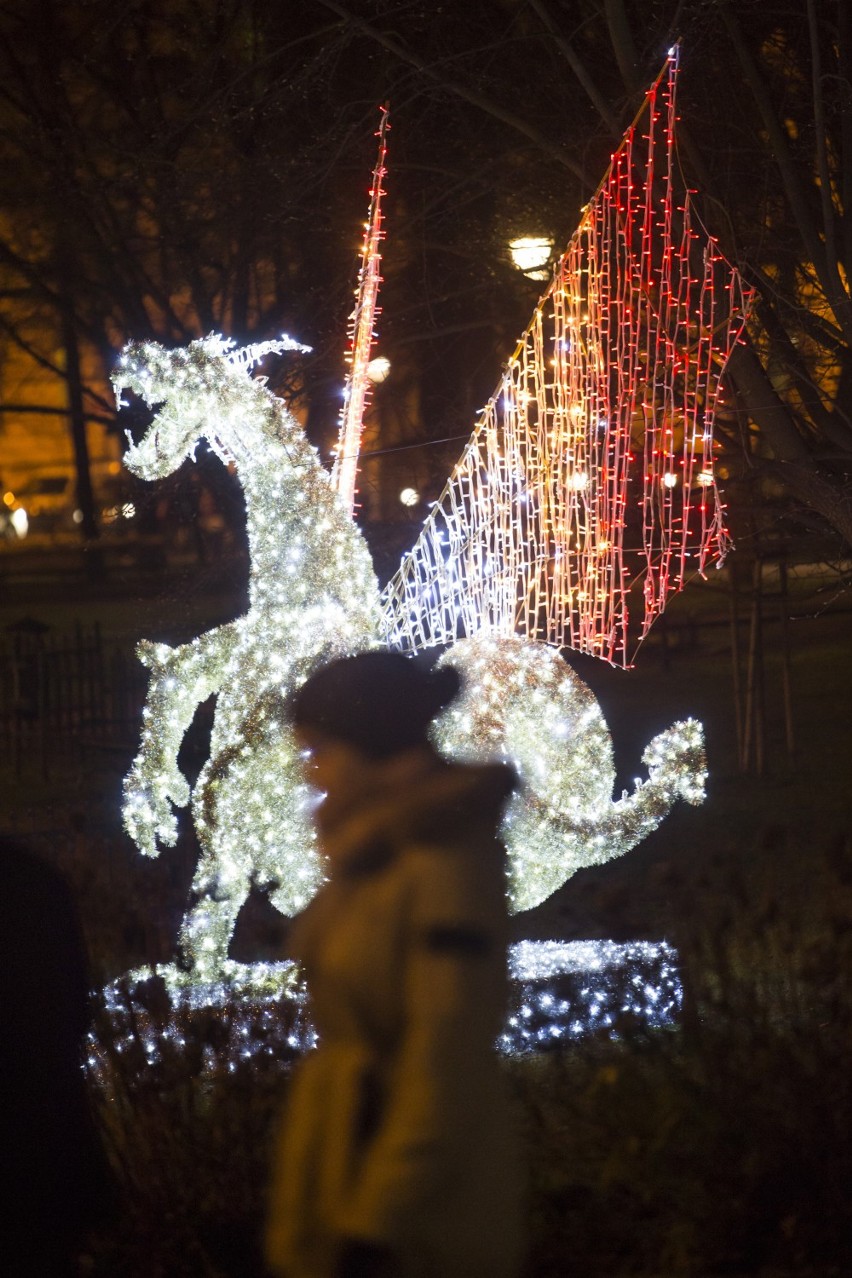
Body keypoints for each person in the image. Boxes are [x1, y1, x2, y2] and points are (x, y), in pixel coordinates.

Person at [265, 651, 524, 1278]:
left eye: (319, 750)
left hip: (421, 1222)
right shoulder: (371, 855)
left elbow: (445, 1054)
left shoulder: (444, 864)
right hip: (346, 1166)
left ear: (367, 749)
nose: (312, 774)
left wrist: (377, 1220)